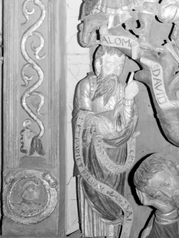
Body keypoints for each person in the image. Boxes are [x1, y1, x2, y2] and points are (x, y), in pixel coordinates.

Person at [74, 46, 139, 238]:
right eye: (111, 64)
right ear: (98, 64)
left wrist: (128, 100)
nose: (116, 70)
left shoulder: (122, 89)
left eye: (120, 66)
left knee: (113, 193)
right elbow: (82, 116)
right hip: (91, 151)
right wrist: (100, 122)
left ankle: (112, 232)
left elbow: (126, 123)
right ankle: (91, 232)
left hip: (116, 151)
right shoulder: (87, 85)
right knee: (94, 191)